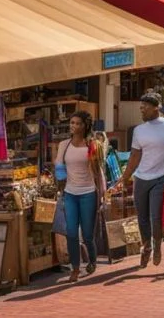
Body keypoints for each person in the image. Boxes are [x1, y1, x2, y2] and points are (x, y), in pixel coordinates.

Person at [113, 93, 164, 268]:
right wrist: (124, 178)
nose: (142, 111)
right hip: (141, 177)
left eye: (144, 107)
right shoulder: (139, 130)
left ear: (156, 107)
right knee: (142, 217)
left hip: (163, 177)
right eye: (141, 107)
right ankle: (146, 246)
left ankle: (157, 245)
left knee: (155, 216)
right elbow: (134, 156)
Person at [56, 110, 105, 283]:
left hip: (88, 193)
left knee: (87, 233)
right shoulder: (64, 145)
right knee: (71, 233)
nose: (74, 126)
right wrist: (59, 186)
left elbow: (98, 172)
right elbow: (59, 168)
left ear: (85, 126)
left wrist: (101, 195)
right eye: (72, 123)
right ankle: (75, 268)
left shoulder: (92, 145)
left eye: (78, 123)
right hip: (70, 193)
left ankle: (92, 260)